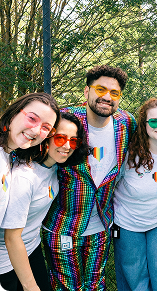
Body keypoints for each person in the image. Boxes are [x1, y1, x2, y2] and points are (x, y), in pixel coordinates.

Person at [41, 65, 136, 290]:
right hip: (63, 224)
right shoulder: (66, 120)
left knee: (95, 285)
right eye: (100, 89)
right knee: (66, 287)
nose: (106, 97)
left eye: (114, 93)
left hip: (101, 225)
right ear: (87, 92)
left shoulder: (126, 124)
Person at [0, 112, 88, 291]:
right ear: (47, 138)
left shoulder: (52, 166)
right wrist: (30, 285)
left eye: (73, 141)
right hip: (7, 259)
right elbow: (11, 238)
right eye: (61, 138)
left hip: (32, 246)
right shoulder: (26, 177)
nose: (67, 146)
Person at [113, 98, 157, 291]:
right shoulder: (127, 154)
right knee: (135, 277)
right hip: (127, 221)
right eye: (153, 121)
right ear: (144, 125)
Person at [0, 92, 59, 227]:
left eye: (46, 127)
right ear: (14, 113)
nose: (36, 131)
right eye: (32, 118)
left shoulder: (8, 156)